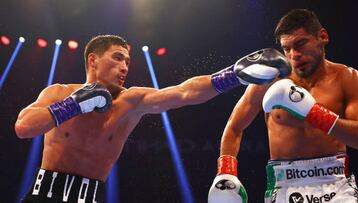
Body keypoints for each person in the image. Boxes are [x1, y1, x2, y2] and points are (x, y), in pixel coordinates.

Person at [15, 34, 290, 202]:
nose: (124, 67)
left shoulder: (131, 101)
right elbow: (24, 127)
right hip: (43, 197)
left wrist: (232, 76)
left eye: (127, 62)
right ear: (93, 60)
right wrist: (72, 106)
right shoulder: (60, 92)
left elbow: (184, 93)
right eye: (117, 58)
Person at [208, 9, 358, 203]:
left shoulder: (347, 78)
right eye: (286, 49)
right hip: (284, 187)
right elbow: (234, 126)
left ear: (322, 36)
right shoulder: (269, 79)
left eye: (301, 44)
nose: (294, 55)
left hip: (335, 184)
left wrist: (315, 114)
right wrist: (226, 171)